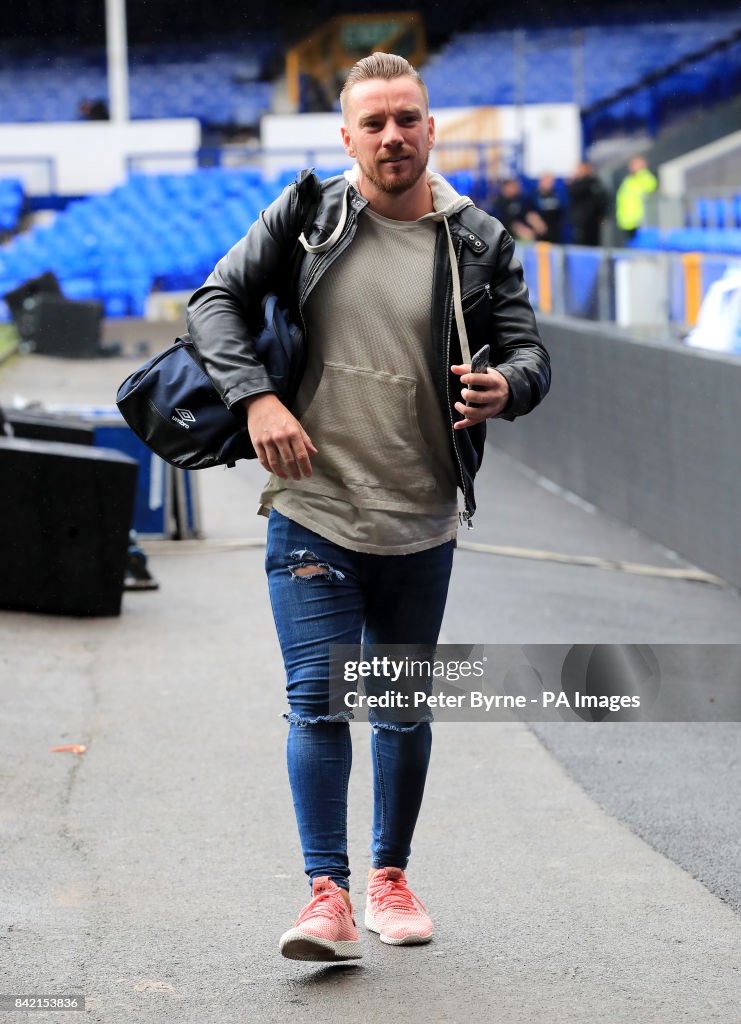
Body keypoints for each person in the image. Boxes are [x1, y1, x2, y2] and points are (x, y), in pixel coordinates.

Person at [186, 51, 550, 962]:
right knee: (316, 700)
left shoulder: (477, 238)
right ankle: (326, 897)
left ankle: (389, 878)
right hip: (314, 508)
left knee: (398, 707)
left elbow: (531, 352)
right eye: (374, 123)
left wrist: (508, 384)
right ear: (346, 136)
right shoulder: (309, 212)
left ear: (431, 127)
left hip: (422, 515)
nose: (393, 136)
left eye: (408, 118)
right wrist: (255, 398)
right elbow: (214, 301)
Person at [615, 155, 657, 243]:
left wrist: (642, 172)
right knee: (629, 247)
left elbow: (651, 187)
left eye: (635, 164)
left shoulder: (646, 178)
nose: (632, 167)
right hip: (626, 221)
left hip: (640, 222)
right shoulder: (628, 180)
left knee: (641, 248)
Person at [567, 161, 609, 247]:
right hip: (584, 220)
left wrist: (602, 214)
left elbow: (601, 199)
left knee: (588, 244)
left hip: (588, 220)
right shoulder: (594, 182)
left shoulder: (587, 183)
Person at [493, 177, 548, 242]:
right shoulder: (498, 203)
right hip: (507, 237)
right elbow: (502, 221)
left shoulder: (521, 199)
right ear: (505, 187)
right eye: (512, 185)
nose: (517, 187)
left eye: (516, 185)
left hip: (527, 233)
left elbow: (528, 213)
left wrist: (536, 221)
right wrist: (518, 228)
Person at [536, 173, 564, 243]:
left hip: (555, 234)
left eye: (551, 182)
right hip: (539, 234)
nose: (549, 184)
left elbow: (560, 214)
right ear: (541, 182)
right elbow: (529, 213)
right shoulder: (534, 196)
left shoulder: (556, 196)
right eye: (547, 181)